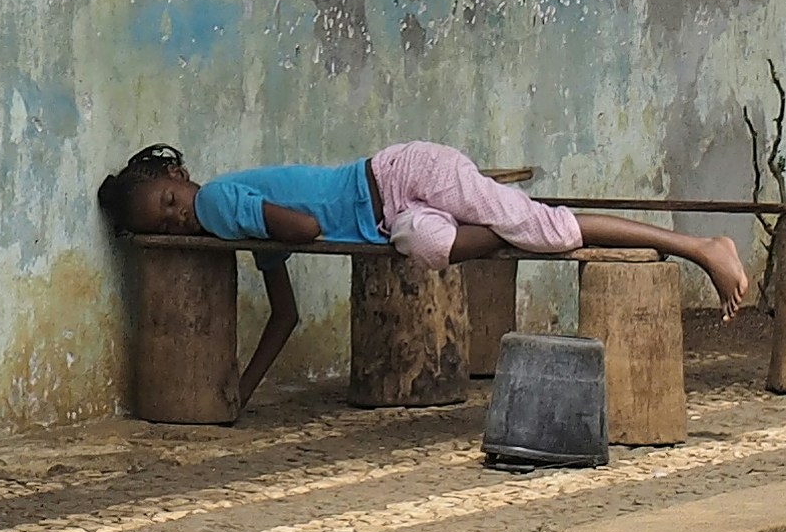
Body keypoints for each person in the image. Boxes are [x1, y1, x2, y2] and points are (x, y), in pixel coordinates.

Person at [97, 139, 750, 414]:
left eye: (172, 204)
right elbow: (286, 315)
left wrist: (235, 227)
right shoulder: (227, 218)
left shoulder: (218, 204)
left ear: (181, 181)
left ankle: (699, 246)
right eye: (170, 222)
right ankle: (527, 225)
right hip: (399, 217)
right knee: (440, 246)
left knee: (547, 231)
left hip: (401, 178)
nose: (183, 221)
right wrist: (238, 391)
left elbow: (300, 229)